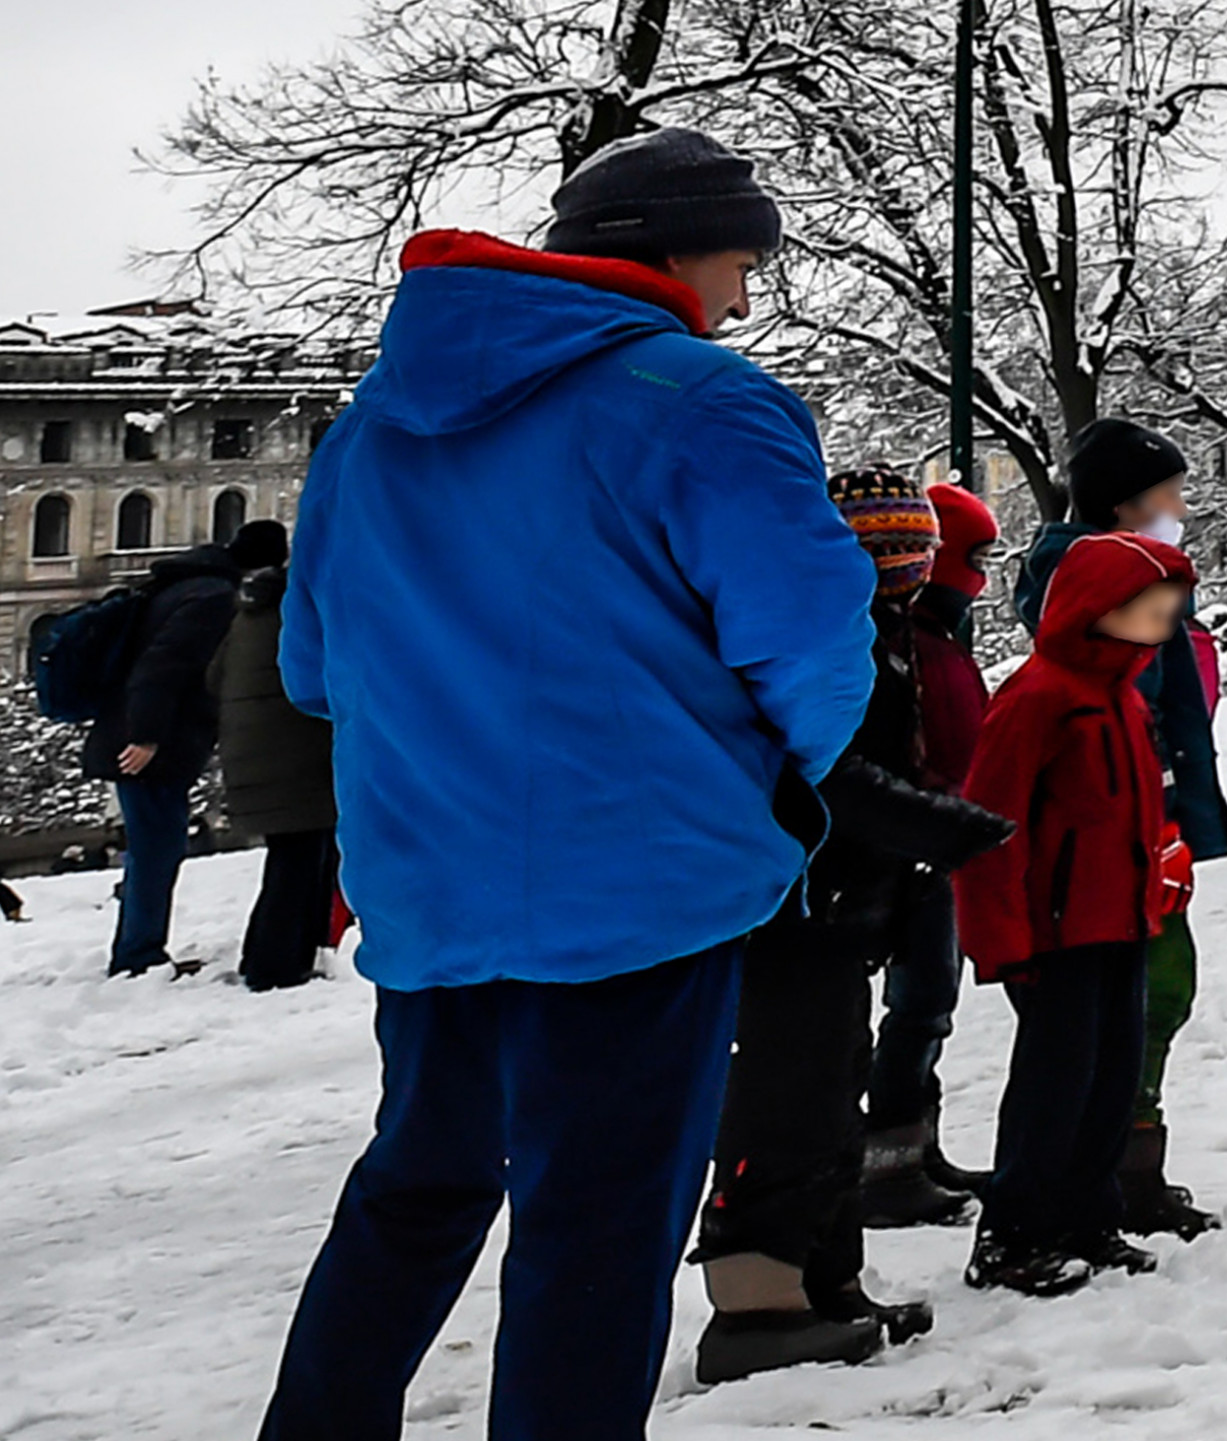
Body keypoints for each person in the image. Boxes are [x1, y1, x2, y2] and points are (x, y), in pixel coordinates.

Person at [258, 128, 878, 1441]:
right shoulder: (707, 399)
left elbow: (311, 667)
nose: (745, 294)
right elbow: (816, 649)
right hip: (636, 883)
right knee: (595, 1226)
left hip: (430, 884)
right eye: (738, 259)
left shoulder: (368, 429)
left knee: (416, 1189)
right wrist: (760, 784)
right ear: (667, 252)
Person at [692, 467, 1013, 1386]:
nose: (909, 569)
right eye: (890, 552)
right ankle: (758, 1303)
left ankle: (829, 1284)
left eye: (918, 551)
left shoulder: (887, 631)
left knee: (834, 1095)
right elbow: (826, 772)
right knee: (788, 1101)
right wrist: (945, 831)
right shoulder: (821, 638)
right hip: (796, 905)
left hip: (851, 903)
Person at [1012, 417, 1227, 1245]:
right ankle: (1102, 1180)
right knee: (1135, 1002)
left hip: (1153, 820)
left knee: (1156, 993)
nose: (1181, 507)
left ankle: (1123, 1172)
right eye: (1169, 495)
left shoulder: (1142, 582)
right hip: (1117, 839)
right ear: (1124, 503)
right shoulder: (1093, 591)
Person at [959, 532, 1197, 1298]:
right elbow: (990, 824)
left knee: (1111, 1075)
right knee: (1053, 1084)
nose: (1163, 625)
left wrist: (1160, 872)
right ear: (1101, 610)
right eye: (1150, 610)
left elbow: (1132, 808)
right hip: (1055, 933)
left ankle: (1087, 1214)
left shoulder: (1121, 694)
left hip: (1120, 921)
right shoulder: (1038, 696)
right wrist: (1001, 938)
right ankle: (1013, 1230)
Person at [862, 480, 1001, 1230]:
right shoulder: (907, 642)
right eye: (976, 556)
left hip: (934, 841)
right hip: (913, 849)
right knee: (916, 1008)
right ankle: (888, 1161)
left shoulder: (934, 639)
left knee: (929, 1008)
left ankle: (916, 1144)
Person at [80, 532, 246, 977]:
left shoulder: (178, 586)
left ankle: (138, 948)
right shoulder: (213, 598)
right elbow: (164, 665)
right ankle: (138, 955)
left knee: (154, 846)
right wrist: (147, 736)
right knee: (158, 848)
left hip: (136, 733)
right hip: (151, 745)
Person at [211, 519, 340, 992]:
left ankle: (267, 956)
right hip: (298, 756)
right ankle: (278, 966)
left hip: (252, 753)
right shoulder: (305, 611)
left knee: (291, 860)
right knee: (301, 864)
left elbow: (213, 678)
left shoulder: (248, 612)